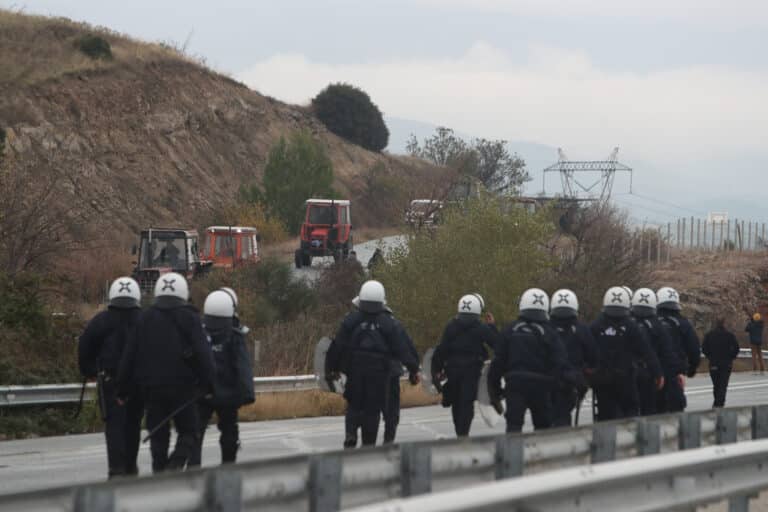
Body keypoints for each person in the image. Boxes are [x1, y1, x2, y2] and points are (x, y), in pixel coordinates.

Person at [117, 272, 215, 473]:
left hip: (151, 388)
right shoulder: (190, 317)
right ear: (183, 293)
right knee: (190, 431)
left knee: (158, 435)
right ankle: (176, 464)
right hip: (183, 388)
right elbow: (203, 353)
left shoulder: (144, 318)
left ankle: (159, 474)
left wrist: (122, 389)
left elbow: (129, 355)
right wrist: (209, 384)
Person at [326, 280, 420, 448]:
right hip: (381, 374)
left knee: (354, 403)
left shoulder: (351, 320)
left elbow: (337, 346)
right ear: (382, 301)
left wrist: (332, 369)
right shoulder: (389, 323)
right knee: (374, 409)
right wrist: (414, 369)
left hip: (355, 372)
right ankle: (372, 444)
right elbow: (403, 348)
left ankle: (351, 433)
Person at [78, 277, 144, 479]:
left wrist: (89, 371)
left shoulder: (101, 321)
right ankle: (131, 466)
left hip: (110, 381)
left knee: (114, 425)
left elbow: (84, 347)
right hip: (137, 381)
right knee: (133, 424)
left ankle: (116, 469)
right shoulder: (144, 319)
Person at [488, 288, 571, 433]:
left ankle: (512, 454)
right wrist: (559, 386)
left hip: (515, 385)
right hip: (542, 386)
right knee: (543, 428)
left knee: (514, 426)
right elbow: (560, 362)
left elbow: (497, 362)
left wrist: (495, 389)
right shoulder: (550, 332)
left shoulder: (510, 330)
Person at [189, 290, 253, 467]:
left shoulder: (199, 333)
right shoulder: (235, 336)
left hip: (203, 393)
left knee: (196, 432)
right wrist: (247, 393)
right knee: (229, 432)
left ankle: (194, 468)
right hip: (228, 395)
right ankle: (228, 466)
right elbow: (243, 366)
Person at [591, 286, 663, 421]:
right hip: (625, 378)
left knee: (605, 413)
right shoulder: (631, 326)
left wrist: (588, 370)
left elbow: (588, 349)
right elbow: (646, 351)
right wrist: (657, 372)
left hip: (602, 378)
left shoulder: (596, 325)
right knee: (630, 411)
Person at [432, 294, 499, 437]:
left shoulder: (451, 326)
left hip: (453, 371)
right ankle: (463, 434)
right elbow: (497, 343)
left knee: (456, 404)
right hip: (471, 371)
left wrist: (436, 370)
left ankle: (460, 433)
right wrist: (492, 326)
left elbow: (442, 349)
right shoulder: (481, 327)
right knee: (466, 403)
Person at [630, 288, 684, 416]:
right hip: (647, 373)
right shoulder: (657, 326)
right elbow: (666, 352)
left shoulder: (627, 324)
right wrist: (673, 372)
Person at [549, 289, 598, 427]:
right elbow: (593, 357)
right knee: (563, 416)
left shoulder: (545, 328)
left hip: (547, 380)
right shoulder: (582, 329)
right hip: (571, 382)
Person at [656, 286, 701, 412]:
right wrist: (691, 369)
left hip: (653, 375)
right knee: (675, 417)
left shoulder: (652, 322)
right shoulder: (683, 323)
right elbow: (694, 348)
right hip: (674, 375)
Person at [702, 318, 740, 407]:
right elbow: (736, 348)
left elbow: (704, 348)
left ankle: (717, 402)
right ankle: (719, 403)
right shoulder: (729, 335)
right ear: (724, 324)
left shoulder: (709, 335)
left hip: (713, 363)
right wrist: (731, 357)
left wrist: (710, 357)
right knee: (723, 385)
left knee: (716, 385)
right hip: (726, 364)